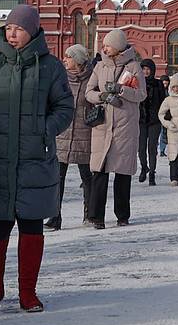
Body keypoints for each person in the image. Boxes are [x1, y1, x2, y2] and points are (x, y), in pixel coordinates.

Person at [0, 4, 72, 312]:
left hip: (35, 156)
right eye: (9, 28)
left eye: (18, 28)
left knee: (32, 225)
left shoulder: (51, 67)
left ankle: (28, 291)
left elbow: (65, 108)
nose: (12, 33)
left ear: (32, 31)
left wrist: (44, 129)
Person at [84, 29, 146, 227]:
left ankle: (122, 215)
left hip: (124, 126)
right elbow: (88, 92)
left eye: (108, 45)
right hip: (102, 126)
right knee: (99, 172)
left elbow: (141, 95)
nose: (105, 47)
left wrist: (121, 90)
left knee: (122, 173)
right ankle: (96, 217)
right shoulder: (100, 66)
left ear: (118, 46)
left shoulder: (134, 66)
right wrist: (101, 96)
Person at [49, 45, 95, 229]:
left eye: (68, 57)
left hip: (86, 134)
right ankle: (54, 217)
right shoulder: (60, 78)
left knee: (87, 177)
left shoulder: (93, 78)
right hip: (62, 133)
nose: (65, 60)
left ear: (78, 59)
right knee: (56, 178)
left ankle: (90, 215)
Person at [138, 59, 167, 185]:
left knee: (152, 148)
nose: (146, 71)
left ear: (152, 70)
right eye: (143, 69)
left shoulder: (158, 84)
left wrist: (165, 114)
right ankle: (144, 168)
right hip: (140, 120)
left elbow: (163, 101)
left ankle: (152, 173)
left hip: (155, 121)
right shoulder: (137, 83)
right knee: (141, 147)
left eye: (148, 69)